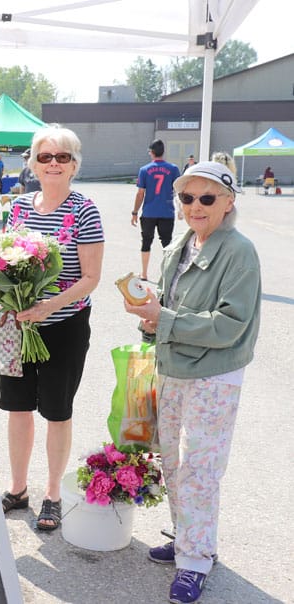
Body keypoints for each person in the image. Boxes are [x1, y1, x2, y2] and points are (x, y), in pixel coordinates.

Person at [124, 161, 260, 604]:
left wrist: (163, 319)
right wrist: (149, 320)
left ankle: (196, 559)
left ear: (228, 201)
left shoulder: (239, 251)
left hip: (214, 375)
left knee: (200, 469)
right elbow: (167, 307)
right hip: (172, 367)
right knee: (172, 463)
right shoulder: (179, 244)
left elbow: (231, 325)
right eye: (186, 198)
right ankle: (189, 539)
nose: (195, 207)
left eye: (207, 198)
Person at [0, 125, 104, 532]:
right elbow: (4, 259)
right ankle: (18, 488)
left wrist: (50, 305)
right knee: (18, 407)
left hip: (64, 325)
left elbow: (91, 276)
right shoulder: (20, 207)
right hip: (21, 323)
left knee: (57, 412)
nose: (54, 163)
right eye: (45, 157)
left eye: (62, 157)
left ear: (74, 165)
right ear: (33, 163)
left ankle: (53, 493)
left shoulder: (84, 209)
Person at [131, 139, 180, 282]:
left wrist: (134, 212)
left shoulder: (144, 170)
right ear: (163, 152)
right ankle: (167, 274)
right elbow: (179, 190)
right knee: (167, 243)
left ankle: (144, 273)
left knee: (146, 242)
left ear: (151, 153)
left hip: (149, 212)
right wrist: (181, 209)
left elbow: (141, 193)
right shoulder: (173, 169)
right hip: (167, 212)